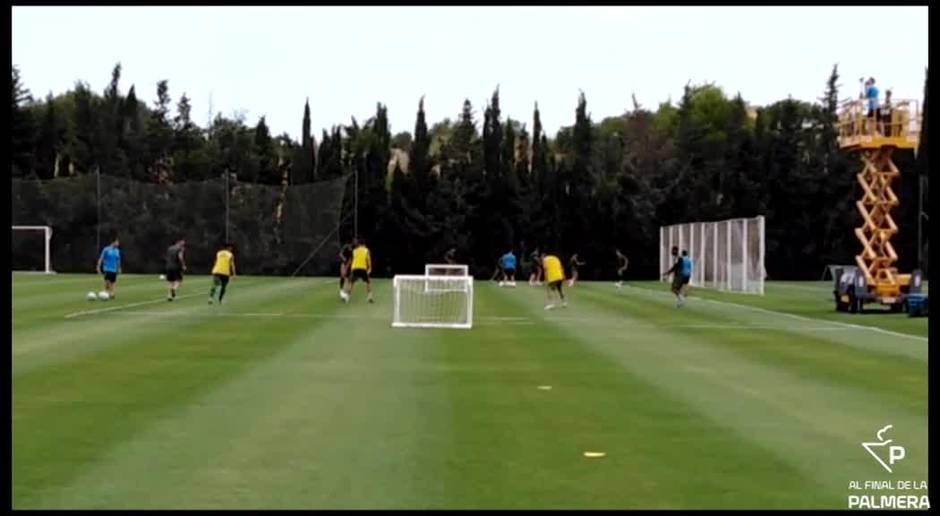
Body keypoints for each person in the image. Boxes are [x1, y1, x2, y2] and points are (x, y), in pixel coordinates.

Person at [342, 236, 373, 303]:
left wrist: (347, 268)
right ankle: (369, 297)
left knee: (351, 283)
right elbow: (368, 259)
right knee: (368, 282)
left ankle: (347, 297)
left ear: (359, 244)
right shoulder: (366, 250)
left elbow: (351, 260)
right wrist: (370, 268)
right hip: (363, 268)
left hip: (354, 268)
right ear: (364, 244)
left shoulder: (354, 250)